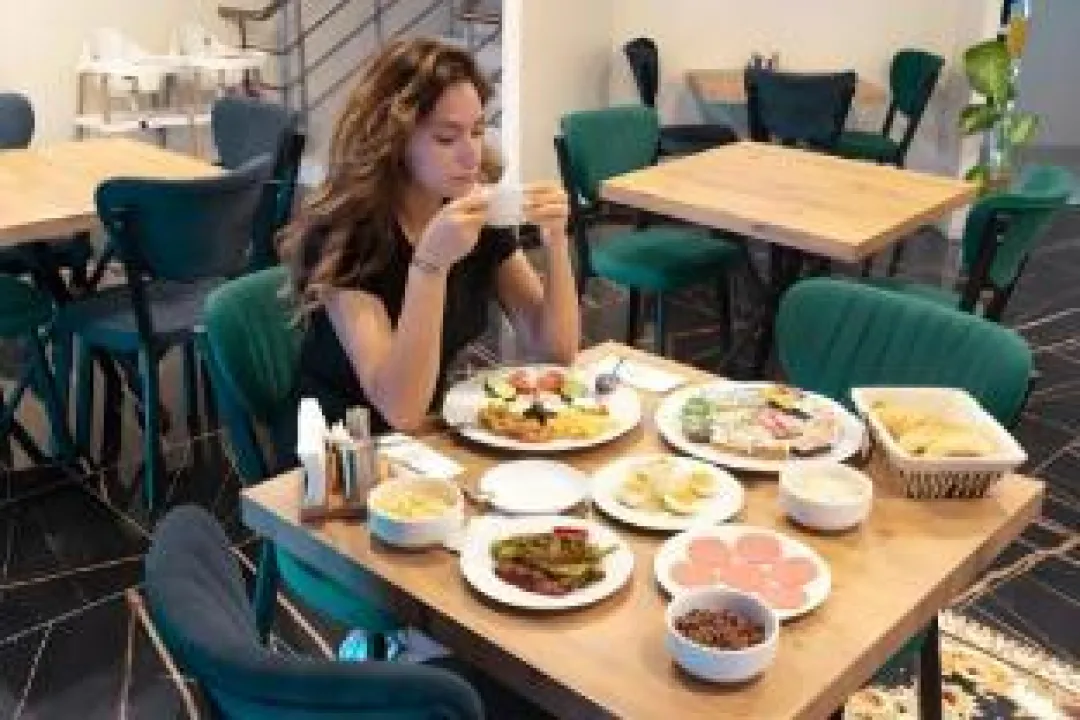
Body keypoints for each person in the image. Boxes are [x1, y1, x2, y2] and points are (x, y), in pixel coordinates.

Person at [280, 37, 580, 433]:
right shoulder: (346, 234)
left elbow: (554, 352)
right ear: (393, 141)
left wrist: (556, 241)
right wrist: (430, 265)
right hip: (341, 443)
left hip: (425, 431)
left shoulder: (471, 209)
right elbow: (400, 409)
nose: (471, 156)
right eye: (446, 138)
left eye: (477, 131)